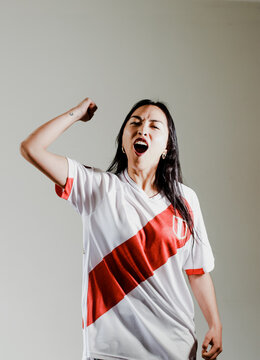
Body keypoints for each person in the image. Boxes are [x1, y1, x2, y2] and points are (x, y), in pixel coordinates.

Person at [20, 97, 223, 360]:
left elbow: (197, 271)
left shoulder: (186, 200)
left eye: (154, 125)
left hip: (175, 348)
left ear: (167, 147)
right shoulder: (95, 187)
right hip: (110, 351)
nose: (143, 129)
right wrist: (77, 113)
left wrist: (215, 324)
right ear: (124, 142)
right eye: (135, 123)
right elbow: (31, 148)